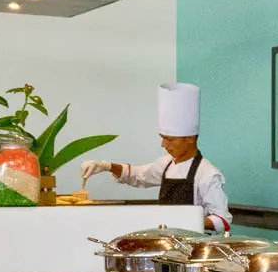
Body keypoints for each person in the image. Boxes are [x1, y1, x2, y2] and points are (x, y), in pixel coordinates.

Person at [81, 83, 231, 232]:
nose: (163, 144)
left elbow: (222, 220)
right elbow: (137, 175)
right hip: (165, 237)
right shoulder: (166, 164)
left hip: (191, 241)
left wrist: (185, 221)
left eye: (169, 139)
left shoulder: (208, 174)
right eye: (162, 138)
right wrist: (107, 166)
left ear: (190, 138)